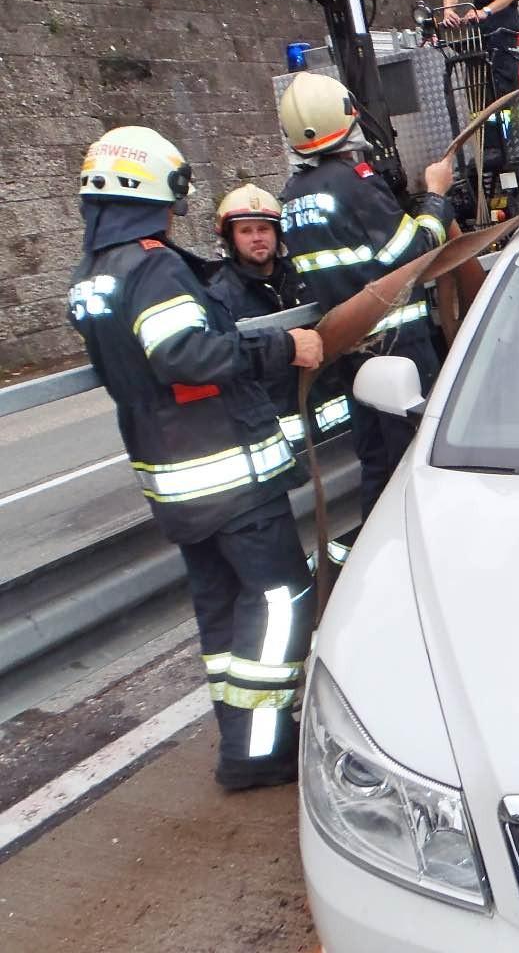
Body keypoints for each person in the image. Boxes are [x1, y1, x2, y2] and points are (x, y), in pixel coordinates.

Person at [68, 127, 324, 790]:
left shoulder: (93, 272)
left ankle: (240, 734)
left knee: (220, 606)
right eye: (176, 193)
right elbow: (184, 354)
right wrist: (282, 349)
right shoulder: (151, 265)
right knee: (278, 599)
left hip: (174, 481)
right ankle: (262, 749)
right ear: (151, 189)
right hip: (227, 473)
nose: (177, 209)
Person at [277, 72, 454, 518]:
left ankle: (382, 548)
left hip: (349, 349)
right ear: (347, 116)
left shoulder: (292, 196)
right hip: (399, 348)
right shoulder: (355, 181)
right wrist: (435, 197)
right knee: (415, 455)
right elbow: (412, 253)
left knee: (376, 458)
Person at [207, 184, 356, 569]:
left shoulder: (303, 276)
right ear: (230, 238)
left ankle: (342, 565)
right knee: (297, 524)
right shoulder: (220, 296)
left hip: (334, 430)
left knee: (345, 508)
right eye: (246, 230)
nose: (258, 238)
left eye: (264, 228)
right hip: (276, 436)